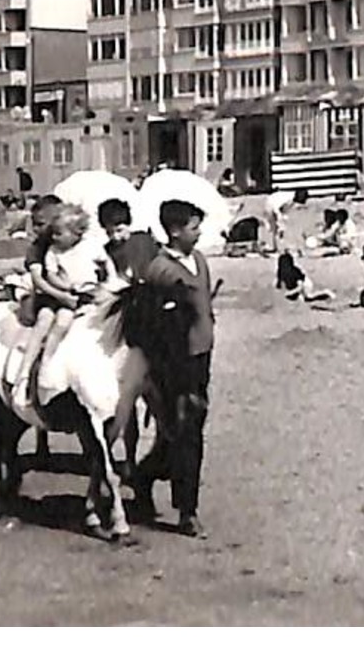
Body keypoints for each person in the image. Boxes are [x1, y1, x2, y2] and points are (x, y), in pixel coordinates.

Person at [136, 199, 217, 538]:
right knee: (187, 435)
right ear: (174, 230)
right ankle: (187, 511)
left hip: (200, 357)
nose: (198, 233)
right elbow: (157, 329)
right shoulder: (160, 271)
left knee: (179, 435)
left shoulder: (198, 259)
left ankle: (142, 477)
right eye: (193, 227)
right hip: (173, 365)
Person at [12, 205, 115, 407]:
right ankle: (37, 365)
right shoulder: (51, 251)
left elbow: (106, 262)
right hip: (58, 296)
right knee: (55, 320)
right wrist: (66, 289)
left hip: (86, 293)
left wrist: (109, 280)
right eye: (53, 232)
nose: (54, 236)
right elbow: (47, 277)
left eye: (59, 233)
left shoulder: (90, 246)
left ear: (76, 234)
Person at [98, 198, 160, 284]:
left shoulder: (143, 241)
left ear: (128, 225)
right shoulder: (109, 250)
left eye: (119, 230)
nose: (115, 237)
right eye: (109, 233)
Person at [263, 187, 309, 254]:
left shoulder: (292, 200)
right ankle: (272, 246)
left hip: (278, 208)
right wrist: (280, 220)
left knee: (281, 228)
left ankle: (278, 246)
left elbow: (285, 209)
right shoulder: (286, 198)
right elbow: (276, 208)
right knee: (272, 227)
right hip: (270, 204)